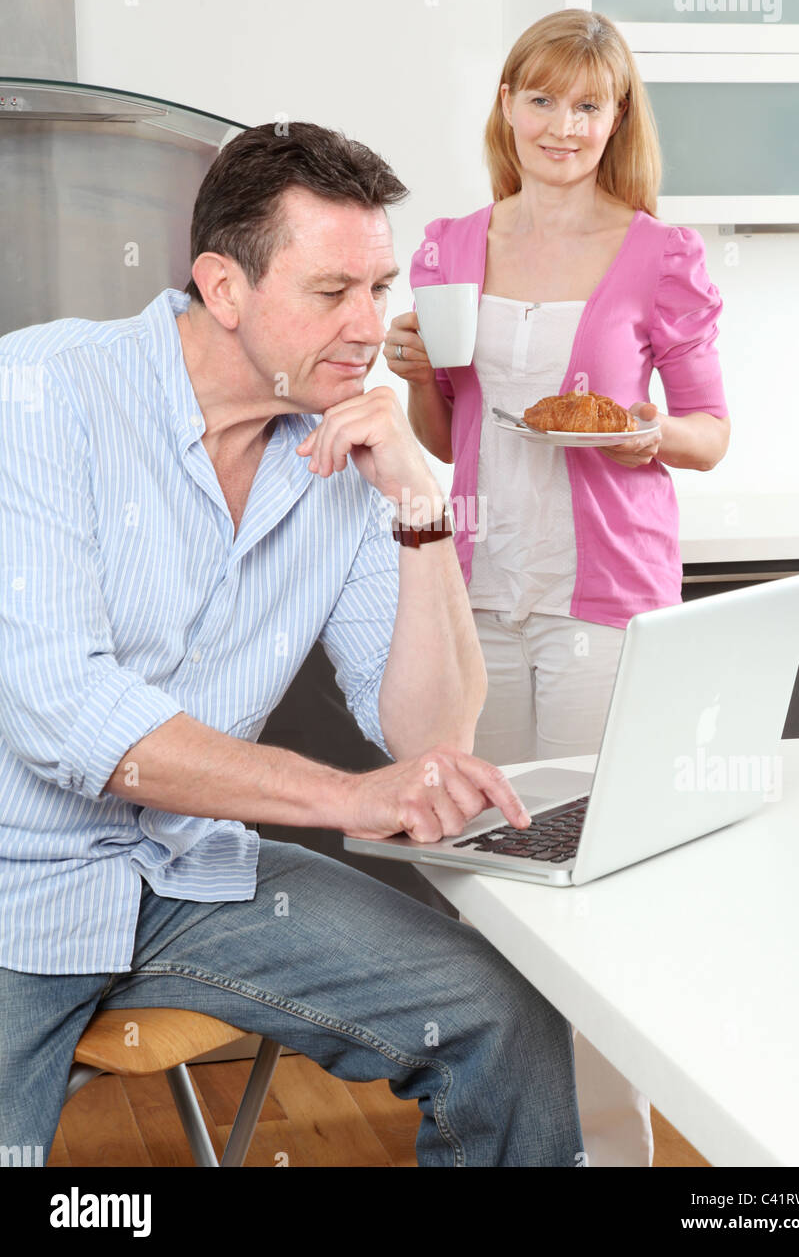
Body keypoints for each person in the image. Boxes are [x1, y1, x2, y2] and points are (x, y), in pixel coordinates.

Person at [0, 121, 584, 1168]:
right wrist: (347, 797)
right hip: (15, 891)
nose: (371, 326)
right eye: (331, 292)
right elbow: (63, 712)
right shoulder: (40, 395)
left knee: (498, 1013)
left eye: (381, 286)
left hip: (183, 875)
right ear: (223, 288)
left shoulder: (347, 445)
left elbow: (427, 735)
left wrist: (418, 505)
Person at [384, 9, 731, 1166]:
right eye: (539, 99)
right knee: (481, 887)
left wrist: (644, 430)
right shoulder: (447, 246)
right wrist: (410, 374)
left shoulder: (655, 254)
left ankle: (612, 1151)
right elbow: (446, 429)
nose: (560, 125)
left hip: (604, 605)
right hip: (477, 595)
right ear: (505, 105)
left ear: (614, 119)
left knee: (592, 892)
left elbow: (710, 433)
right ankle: (502, 1141)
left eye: (586, 104)